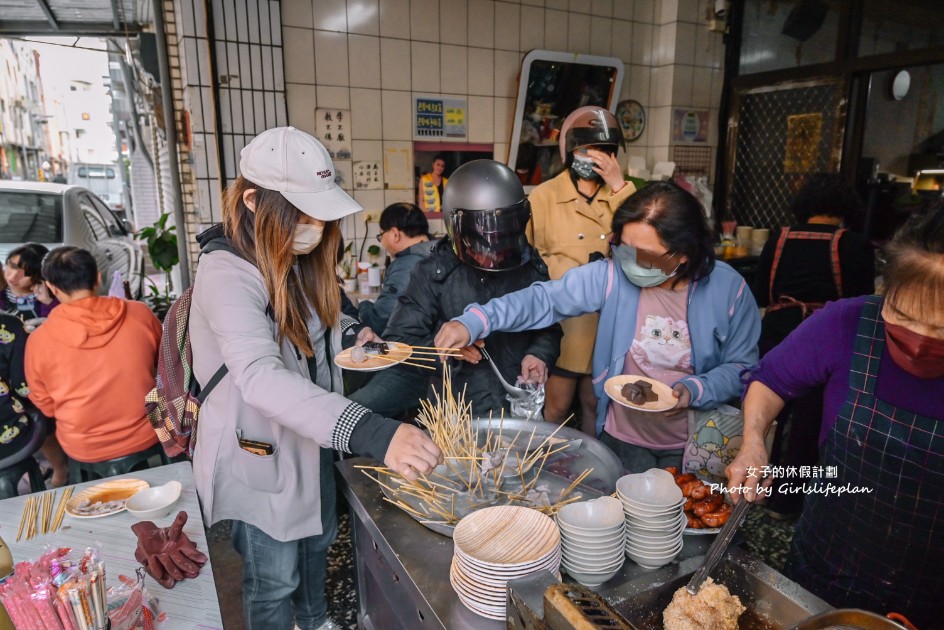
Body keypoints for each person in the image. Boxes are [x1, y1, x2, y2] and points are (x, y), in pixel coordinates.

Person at [187, 127, 441, 630]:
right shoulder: (227, 274)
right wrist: (374, 432)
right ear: (255, 201)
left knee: (317, 541)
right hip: (257, 448)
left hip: (309, 437)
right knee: (273, 577)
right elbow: (260, 375)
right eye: (301, 212)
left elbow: (315, 328)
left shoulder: (290, 259)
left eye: (319, 213)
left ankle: (316, 619)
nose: (315, 226)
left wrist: (354, 332)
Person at [435, 182, 761, 473]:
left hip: (698, 441)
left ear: (684, 254)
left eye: (646, 256)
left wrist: (696, 389)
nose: (631, 263)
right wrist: (477, 320)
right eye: (625, 249)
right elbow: (545, 300)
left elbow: (743, 367)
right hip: (622, 436)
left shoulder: (728, 290)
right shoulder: (610, 275)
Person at [726, 205, 944, 627]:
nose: (918, 342)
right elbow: (770, 380)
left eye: (940, 328)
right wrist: (754, 439)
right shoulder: (847, 323)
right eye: (902, 315)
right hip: (826, 570)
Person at [349, 159, 562, 419]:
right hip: (454, 414)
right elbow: (400, 344)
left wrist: (538, 355)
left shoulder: (529, 265)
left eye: (503, 239)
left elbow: (549, 327)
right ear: (457, 228)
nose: (493, 254)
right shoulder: (432, 272)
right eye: (482, 243)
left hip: (515, 408)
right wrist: (447, 353)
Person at [751, 172, 876, 517]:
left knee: (766, 417)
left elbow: (761, 292)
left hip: (776, 332)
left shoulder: (778, 238)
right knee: (807, 426)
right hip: (824, 339)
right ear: (844, 206)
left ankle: (757, 488)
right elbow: (862, 302)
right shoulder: (853, 244)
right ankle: (787, 502)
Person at [527, 106, 636, 434]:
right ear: (570, 152)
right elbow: (528, 260)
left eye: (605, 152)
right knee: (556, 404)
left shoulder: (620, 196)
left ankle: (592, 471)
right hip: (563, 320)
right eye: (587, 150)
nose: (595, 158)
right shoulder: (544, 196)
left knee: (596, 401)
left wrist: (619, 186)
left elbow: (641, 238)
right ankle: (546, 466)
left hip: (610, 320)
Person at [24, 247, 162, 467]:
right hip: (149, 431)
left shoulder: (38, 339)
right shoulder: (140, 313)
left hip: (83, 446)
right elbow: (162, 364)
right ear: (98, 278)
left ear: (51, 287)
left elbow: (46, 406)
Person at [357, 203, 435, 334]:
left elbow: (379, 321)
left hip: (417, 347)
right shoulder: (441, 251)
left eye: (381, 236)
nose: (381, 241)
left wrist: (363, 306)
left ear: (395, 234)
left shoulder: (406, 265)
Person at [0, 314, 37, 461]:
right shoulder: (8, 325)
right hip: (8, 440)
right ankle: (60, 469)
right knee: (41, 401)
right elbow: (23, 386)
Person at [2, 244, 59, 319]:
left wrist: (48, 303)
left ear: (39, 276)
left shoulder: (53, 300)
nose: (13, 276)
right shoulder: (2, 296)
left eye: (26, 273)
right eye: (12, 266)